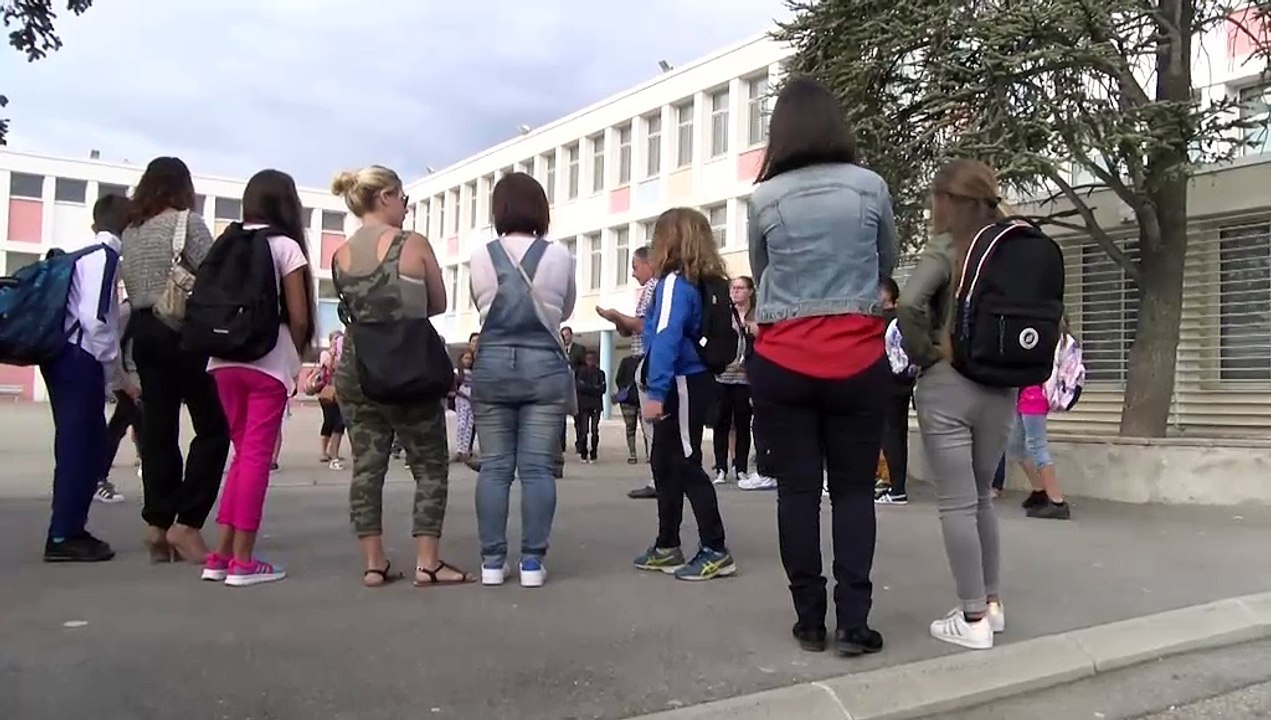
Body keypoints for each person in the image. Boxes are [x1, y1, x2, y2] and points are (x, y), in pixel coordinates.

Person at [745, 75, 895, 656]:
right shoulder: (870, 186)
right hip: (857, 356)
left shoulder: (763, 198)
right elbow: (886, 259)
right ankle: (854, 622)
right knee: (855, 494)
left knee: (797, 493)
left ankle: (809, 619)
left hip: (784, 360)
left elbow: (762, 274)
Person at [331, 164, 472, 588]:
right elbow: (438, 302)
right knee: (429, 464)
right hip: (408, 364)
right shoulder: (412, 245)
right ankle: (428, 562)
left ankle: (374, 563)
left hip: (358, 367)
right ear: (386, 195)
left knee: (367, 467)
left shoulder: (340, 254)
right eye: (404, 198)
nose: (407, 206)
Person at [898, 158, 1016, 651]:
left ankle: (971, 620)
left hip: (951, 385)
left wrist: (927, 353)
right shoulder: (1013, 242)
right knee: (983, 495)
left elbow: (908, 304)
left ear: (947, 201)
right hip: (1003, 385)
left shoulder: (948, 247)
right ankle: (991, 604)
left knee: (956, 502)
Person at [200, 169, 315, 587]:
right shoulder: (285, 246)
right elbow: (299, 316)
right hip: (267, 363)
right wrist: (296, 353)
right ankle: (244, 561)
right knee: (256, 459)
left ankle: (221, 554)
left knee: (241, 456)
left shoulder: (226, 241)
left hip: (222, 361)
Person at [121, 156, 230, 564]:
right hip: (182, 331)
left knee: (159, 430)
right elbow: (213, 277)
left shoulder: (131, 231)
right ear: (183, 186)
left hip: (143, 333)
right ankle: (188, 522)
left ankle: (157, 524)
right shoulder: (187, 224)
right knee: (213, 428)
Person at [469, 172, 574, 588]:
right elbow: (563, 310)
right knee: (536, 469)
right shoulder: (559, 255)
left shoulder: (480, 256)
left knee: (494, 468)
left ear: (499, 209)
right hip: (543, 366)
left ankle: (492, 563)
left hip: (492, 363)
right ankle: (532, 562)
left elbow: (479, 305)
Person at [632, 207, 736, 582]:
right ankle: (667, 544)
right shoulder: (700, 282)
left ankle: (715, 548)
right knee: (664, 462)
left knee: (687, 462)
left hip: (681, 382)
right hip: (690, 379)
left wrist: (656, 392)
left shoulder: (676, 283)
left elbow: (665, 338)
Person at [39, 194, 131, 562]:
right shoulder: (106, 257)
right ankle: (63, 535)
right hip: (81, 358)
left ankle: (69, 527)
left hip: (63, 355)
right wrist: (113, 370)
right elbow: (96, 319)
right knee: (81, 446)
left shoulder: (81, 255)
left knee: (81, 443)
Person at [597, 245, 658, 498]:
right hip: (643, 358)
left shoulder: (654, 287)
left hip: (649, 358)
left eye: (635, 266)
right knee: (649, 426)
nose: (633, 273)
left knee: (653, 426)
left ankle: (660, 480)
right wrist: (618, 321)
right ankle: (659, 477)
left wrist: (616, 315)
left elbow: (643, 326)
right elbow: (633, 328)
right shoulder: (648, 290)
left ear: (649, 263)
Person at [716, 276, 763, 489]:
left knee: (743, 423)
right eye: (733, 288)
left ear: (750, 291)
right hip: (723, 375)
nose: (735, 291)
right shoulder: (725, 314)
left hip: (746, 377)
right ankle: (720, 468)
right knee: (721, 423)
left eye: (740, 288)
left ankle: (741, 467)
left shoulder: (757, 314)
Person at [98, 288, 142, 504]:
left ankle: (98, 475)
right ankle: (97, 476)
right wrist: (126, 383)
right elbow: (114, 348)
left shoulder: (141, 310)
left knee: (128, 422)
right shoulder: (127, 312)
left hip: (131, 380)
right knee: (125, 422)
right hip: (125, 380)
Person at [876, 277, 915, 505]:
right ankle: (895, 485)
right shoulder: (903, 319)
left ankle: (896, 488)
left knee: (889, 435)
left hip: (885, 383)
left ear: (884, 294)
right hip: (903, 381)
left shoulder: (881, 321)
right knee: (898, 435)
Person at [1013, 383, 1070, 519]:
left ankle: (1057, 502)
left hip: (1034, 396)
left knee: (1037, 446)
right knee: (1016, 446)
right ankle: (1039, 491)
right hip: (1019, 396)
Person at [317, 331, 346, 470]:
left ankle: (335, 454)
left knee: (340, 423)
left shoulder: (344, 354)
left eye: (339, 339)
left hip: (341, 392)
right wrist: (334, 354)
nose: (337, 342)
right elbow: (329, 367)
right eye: (335, 339)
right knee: (330, 421)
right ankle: (325, 452)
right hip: (327, 392)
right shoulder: (326, 354)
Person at [574, 350, 606, 463]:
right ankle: (583, 453)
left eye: (592, 359)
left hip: (596, 405)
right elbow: (579, 387)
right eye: (588, 359)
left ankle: (594, 453)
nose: (590, 362)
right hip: (583, 405)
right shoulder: (580, 372)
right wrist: (593, 388)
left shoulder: (600, 373)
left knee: (594, 430)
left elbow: (602, 389)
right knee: (584, 431)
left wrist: (588, 387)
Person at [454, 350, 476, 463]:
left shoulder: (474, 373)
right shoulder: (458, 372)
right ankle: (459, 449)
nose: (468, 361)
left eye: (470, 359)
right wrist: (465, 396)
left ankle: (465, 450)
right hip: (462, 400)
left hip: (472, 400)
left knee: (469, 425)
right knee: (461, 424)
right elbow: (455, 388)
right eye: (466, 358)